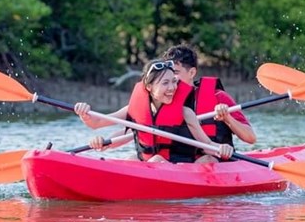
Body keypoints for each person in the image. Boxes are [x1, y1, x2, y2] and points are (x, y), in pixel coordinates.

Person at [74, 59, 234, 163]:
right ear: (149, 87)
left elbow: (206, 145)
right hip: (151, 166)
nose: (172, 88)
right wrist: (84, 112)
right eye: (165, 83)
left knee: (157, 159)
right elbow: (96, 122)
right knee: (130, 160)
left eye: (173, 82)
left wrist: (221, 148)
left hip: (181, 166)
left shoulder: (186, 113)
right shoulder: (132, 109)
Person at [162, 44, 256, 153]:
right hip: (182, 161)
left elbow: (250, 138)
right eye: (168, 74)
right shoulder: (163, 99)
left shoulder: (218, 97)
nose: (171, 78)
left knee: (208, 158)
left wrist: (227, 118)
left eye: (175, 73)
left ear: (192, 72)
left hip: (214, 159)